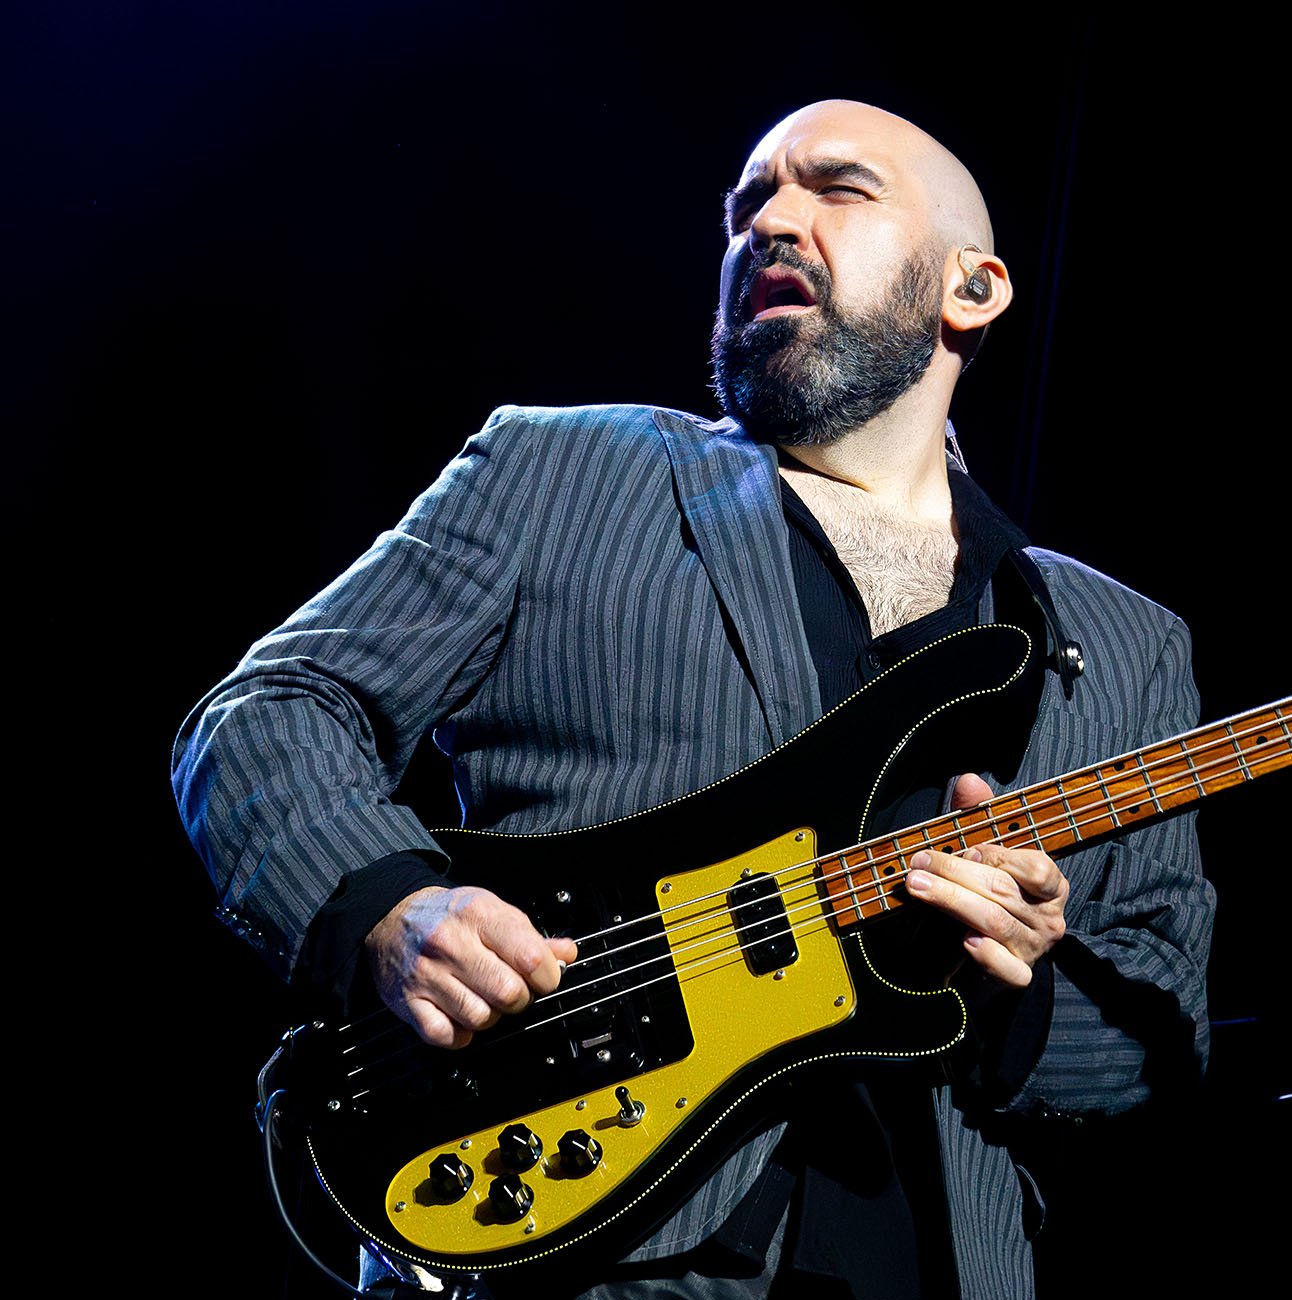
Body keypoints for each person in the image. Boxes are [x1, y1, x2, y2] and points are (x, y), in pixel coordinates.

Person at [174, 100, 1214, 1299]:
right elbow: (270, 708)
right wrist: (384, 907)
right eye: (745, 204)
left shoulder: (1120, 641)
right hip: (576, 1249)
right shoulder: (563, 473)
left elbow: (1167, 1015)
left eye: (837, 188)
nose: (768, 220)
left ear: (970, 290)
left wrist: (1009, 995)